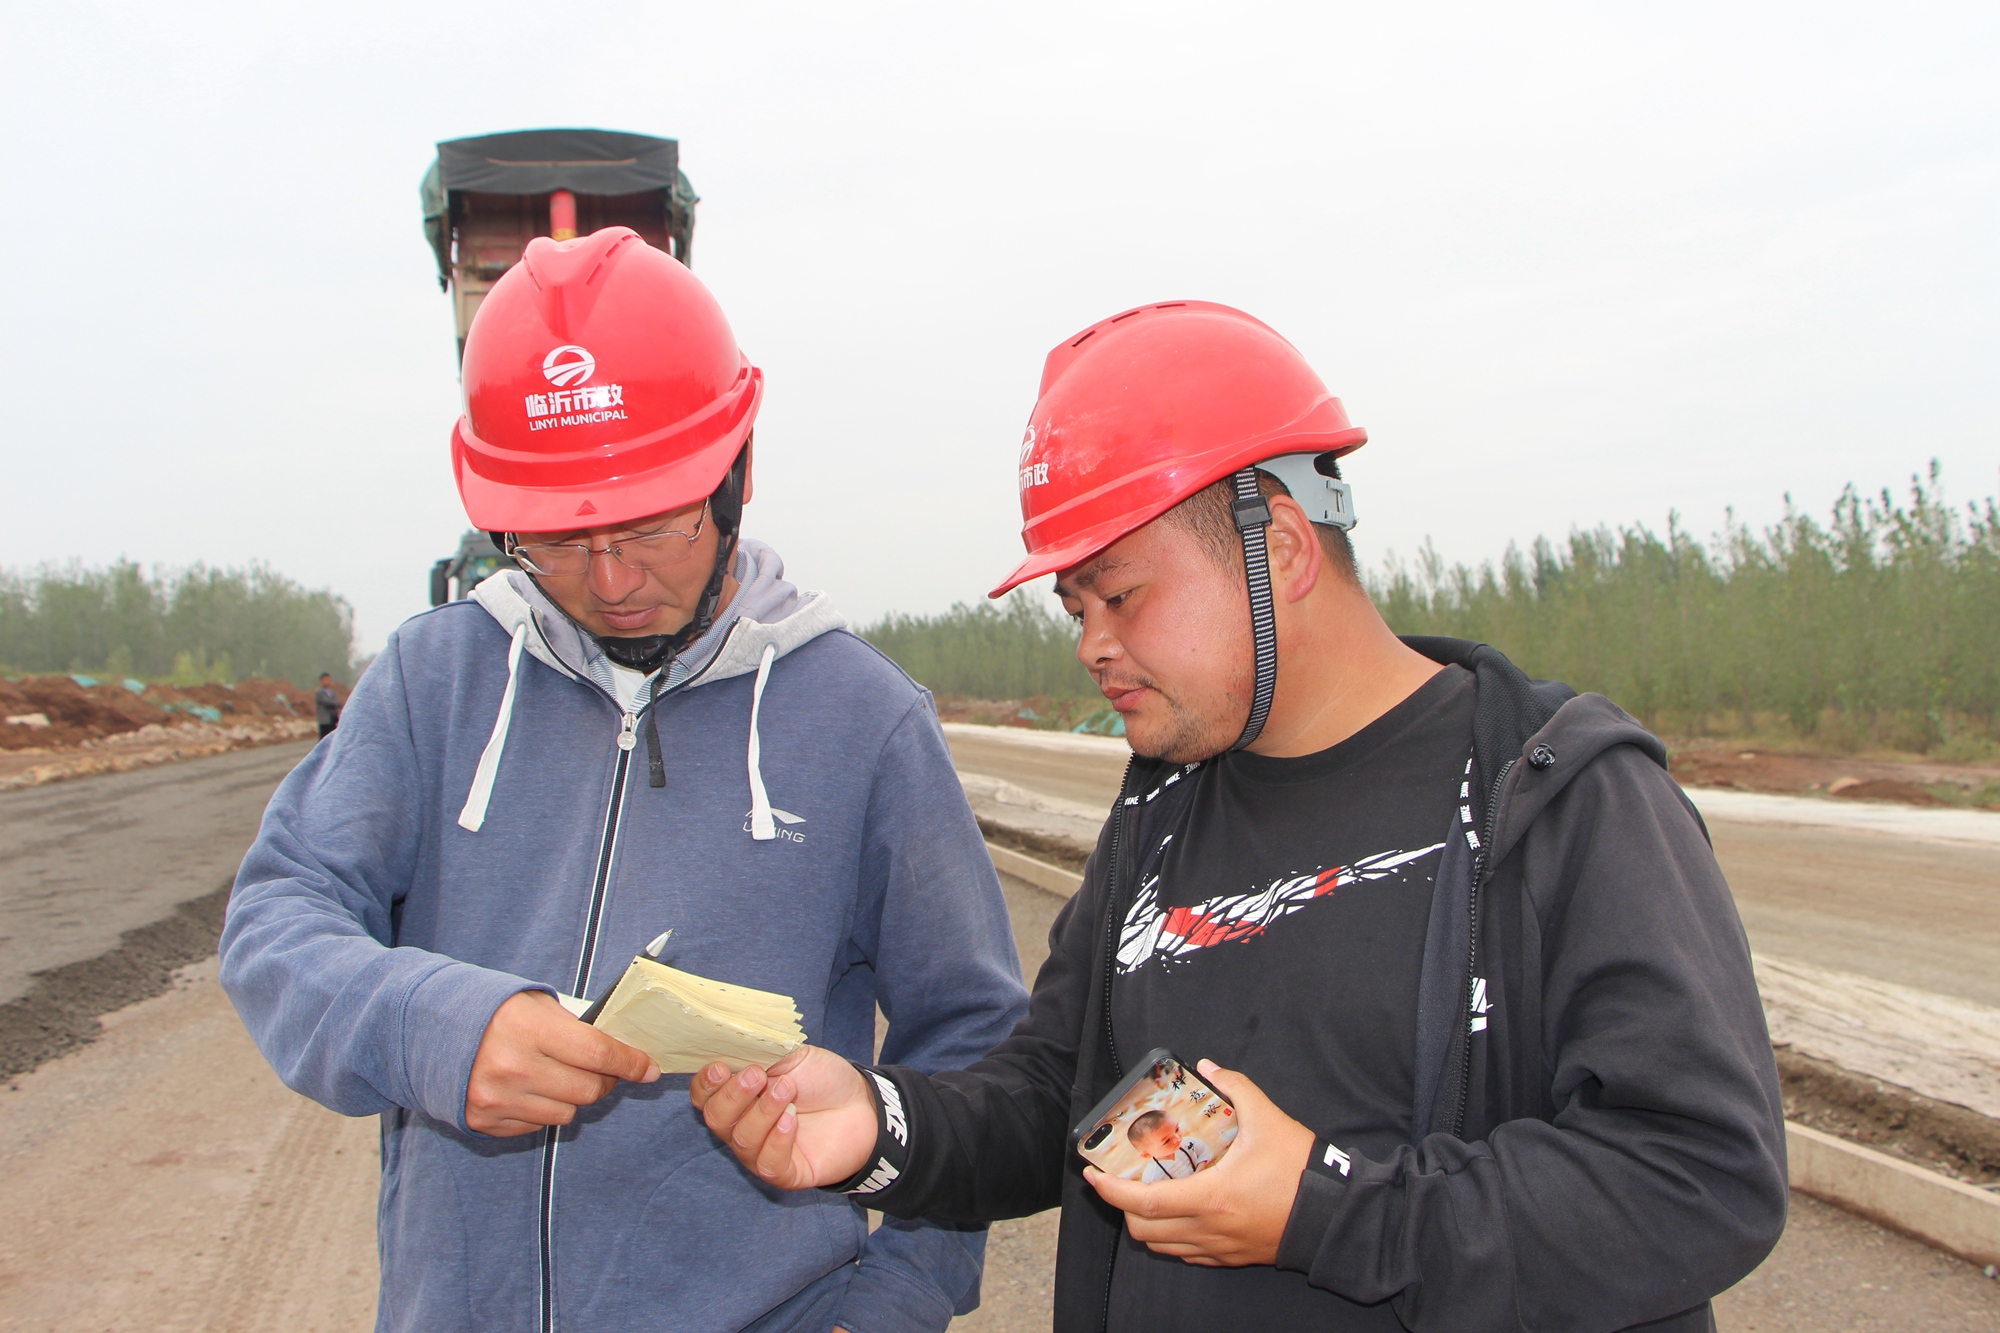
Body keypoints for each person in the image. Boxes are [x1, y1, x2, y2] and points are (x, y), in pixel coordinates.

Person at [692, 301, 1788, 1331]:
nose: (1090, 645)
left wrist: (1323, 1208)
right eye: (1072, 607)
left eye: (1119, 594)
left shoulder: (1553, 795)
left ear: (1277, 547)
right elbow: (1059, 1101)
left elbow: (1697, 1176)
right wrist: (879, 1126)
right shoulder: (1167, 807)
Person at [220, 227, 1028, 1333]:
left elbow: (973, 1038)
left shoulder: (865, 721)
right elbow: (277, 917)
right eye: (551, 539)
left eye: (651, 522)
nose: (608, 580)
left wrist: (900, 1296)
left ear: (735, 473)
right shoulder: (433, 680)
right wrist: (431, 1025)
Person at [1128, 1111, 1211, 1182]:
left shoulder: (1188, 1143)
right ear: (1147, 1154)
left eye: (1177, 1129)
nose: (1177, 1138)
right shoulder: (1152, 1177)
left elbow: (1204, 1152)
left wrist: (1198, 1172)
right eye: (1167, 1141)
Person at [313, 672, 341, 738]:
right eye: (325, 680)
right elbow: (327, 702)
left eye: (328, 679)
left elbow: (338, 702)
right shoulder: (319, 692)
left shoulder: (331, 692)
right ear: (321, 681)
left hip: (332, 720)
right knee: (324, 738)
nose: (327, 681)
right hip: (325, 721)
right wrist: (336, 703)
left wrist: (336, 703)